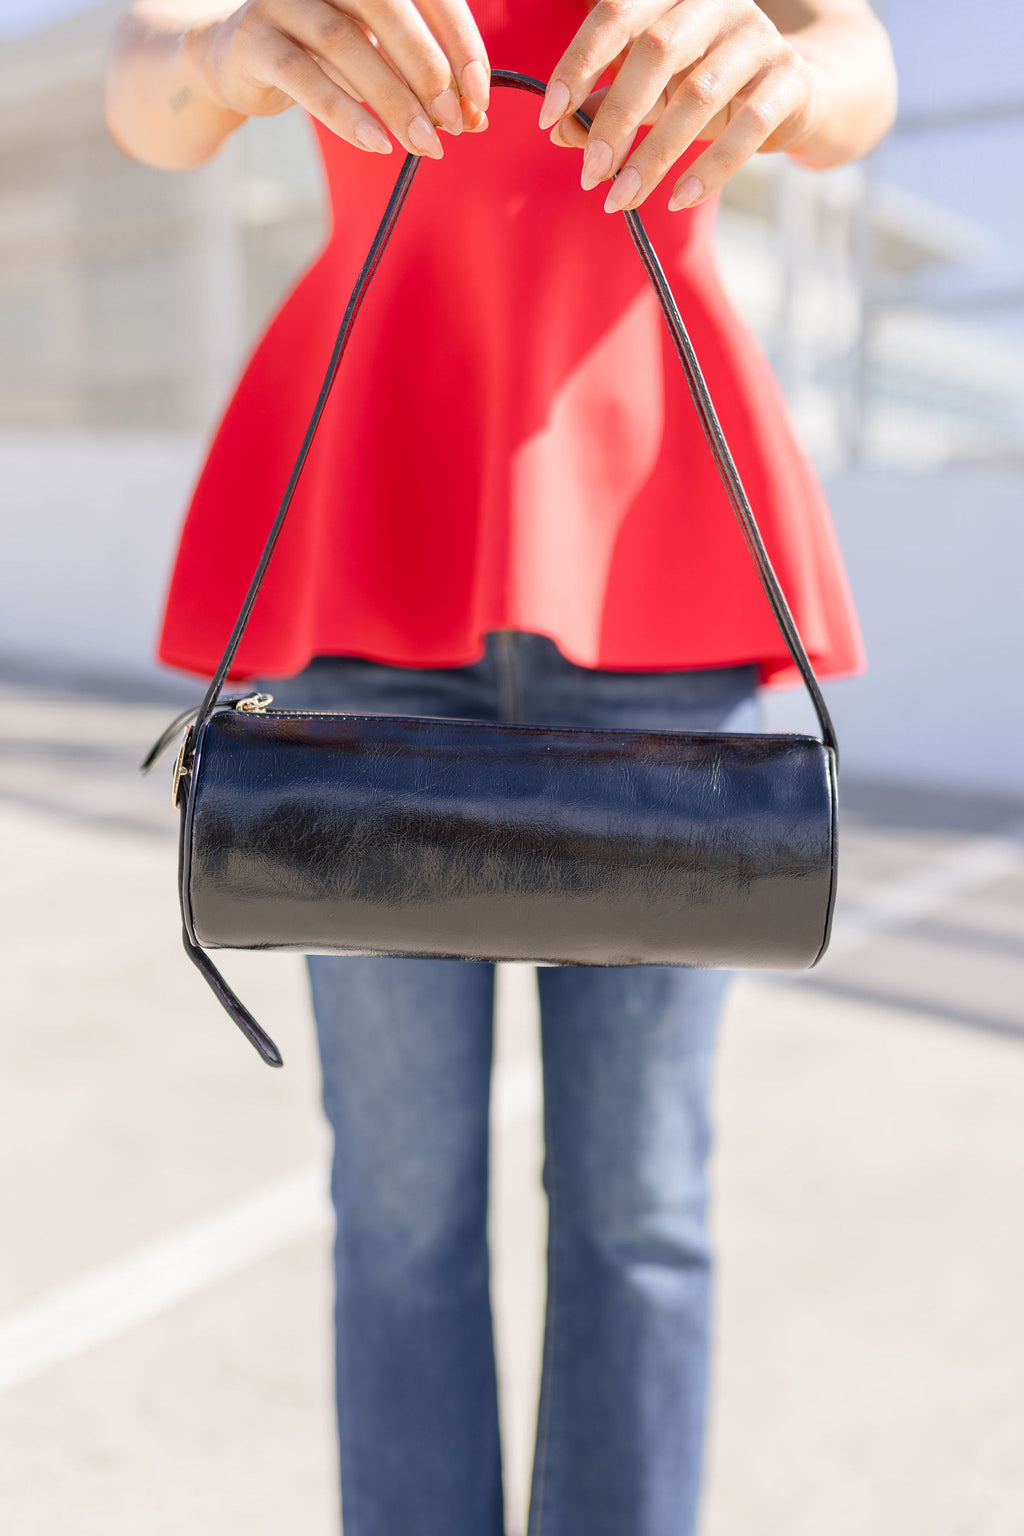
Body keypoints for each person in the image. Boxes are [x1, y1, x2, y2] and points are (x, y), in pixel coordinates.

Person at [106, 3, 895, 1533]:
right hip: (369, 533)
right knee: (397, 1211)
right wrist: (223, 57)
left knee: (643, 1207)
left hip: (660, 533)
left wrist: (786, 78)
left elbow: (856, 65)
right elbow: (148, 77)